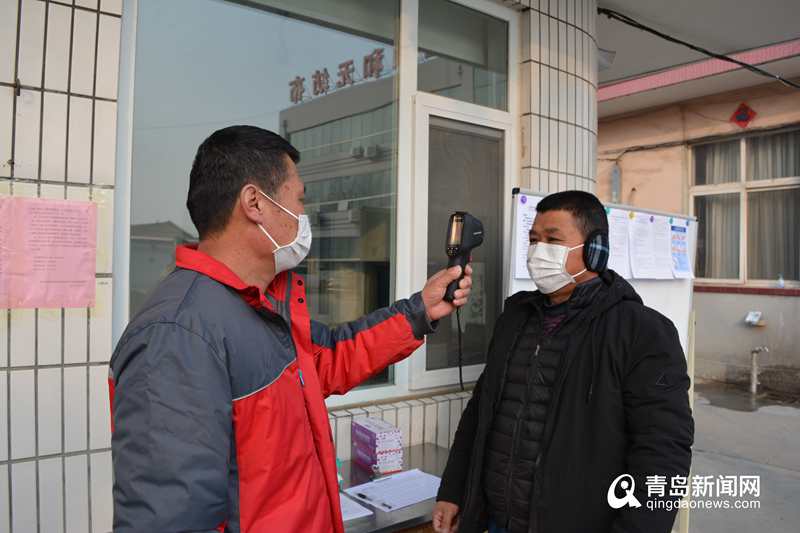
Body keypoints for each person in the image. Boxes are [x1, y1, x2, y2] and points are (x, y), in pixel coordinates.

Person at [109, 125, 473, 533]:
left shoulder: (259, 306)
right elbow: (172, 519)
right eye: (299, 200)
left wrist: (420, 311)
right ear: (254, 203)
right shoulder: (177, 334)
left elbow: (332, 356)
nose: (303, 216)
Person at [432, 191, 693, 533]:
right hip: (495, 522)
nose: (538, 251)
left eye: (552, 240)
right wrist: (454, 491)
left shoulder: (642, 332)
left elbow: (664, 452)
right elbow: (479, 413)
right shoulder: (515, 317)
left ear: (595, 250)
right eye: (533, 240)